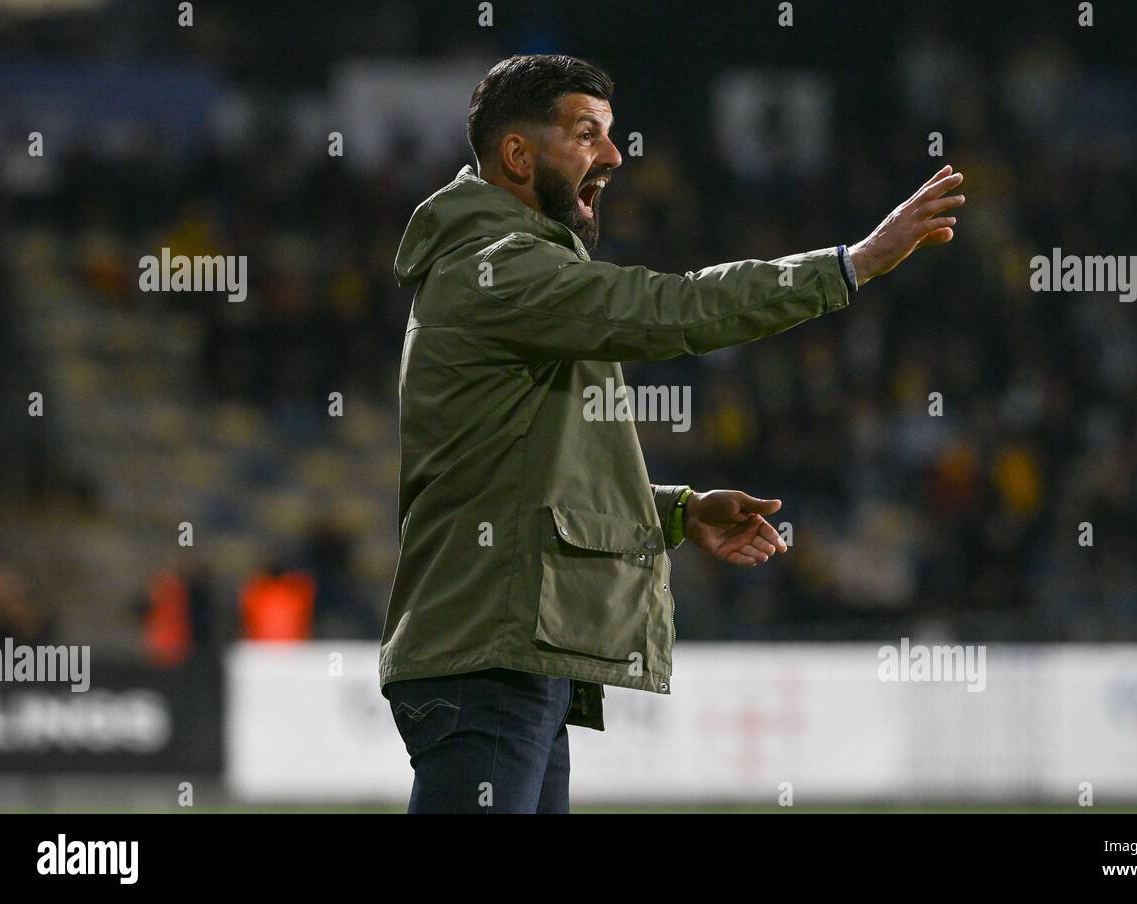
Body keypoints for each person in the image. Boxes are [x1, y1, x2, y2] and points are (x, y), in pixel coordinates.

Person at [379, 54, 965, 813]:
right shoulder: (499, 271)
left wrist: (679, 512)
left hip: (513, 652)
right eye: (586, 134)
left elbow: (533, 481)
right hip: (487, 652)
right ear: (518, 156)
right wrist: (850, 266)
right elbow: (675, 309)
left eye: (611, 134)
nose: (615, 156)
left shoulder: (512, 277)